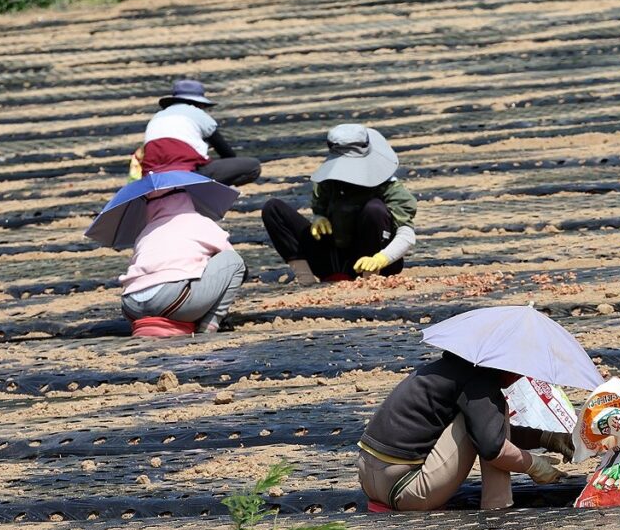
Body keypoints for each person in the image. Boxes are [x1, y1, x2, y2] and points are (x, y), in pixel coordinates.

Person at [357, 352, 575, 512]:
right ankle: (498, 507)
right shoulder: (479, 382)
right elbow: (492, 446)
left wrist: (548, 439)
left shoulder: (446, 371)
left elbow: (489, 429)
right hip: (406, 489)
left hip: (370, 480)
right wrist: (534, 465)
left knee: (484, 422)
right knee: (490, 424)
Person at [261, 124, 416, 284]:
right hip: (333, 259)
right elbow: (319, 207)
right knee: (273, 208)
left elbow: (406, 235)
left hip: (374, 259)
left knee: (374, 209)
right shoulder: (328, 181)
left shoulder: (388, 187)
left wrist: (382, 258)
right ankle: (306, 279)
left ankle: (370, 280)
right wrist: (319, 218)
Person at [119, 189, 246, 337]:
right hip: (174, 300)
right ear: (185, 198)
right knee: (234, 261)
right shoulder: (198, 222)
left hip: (132, 307)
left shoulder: (144, 233)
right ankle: (210, 323)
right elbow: (229, 257)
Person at [132, 79, 261, 187]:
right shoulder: (197, 113)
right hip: (187, 174)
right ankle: (205, 194)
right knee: (253, 166)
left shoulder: (156, 118)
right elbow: (227, 153)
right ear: (199, 104)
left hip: (154, 179)